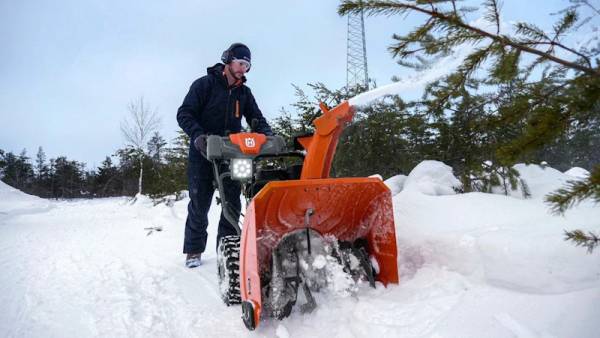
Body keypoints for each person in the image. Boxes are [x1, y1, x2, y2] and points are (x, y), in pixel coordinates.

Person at [176, 43, 273, 268]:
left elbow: (256, 118)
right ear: (228, 60)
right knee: (200, 203)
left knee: (232, 203)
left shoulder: (244, 93)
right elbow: (184, 114)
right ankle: (193, 250)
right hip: (203, 151)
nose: (243, 69)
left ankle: (226, 248)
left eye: (247, 66)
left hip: (233, 153)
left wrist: (267, 135)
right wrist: (198, 135)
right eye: (241, 63)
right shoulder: (204, 85)